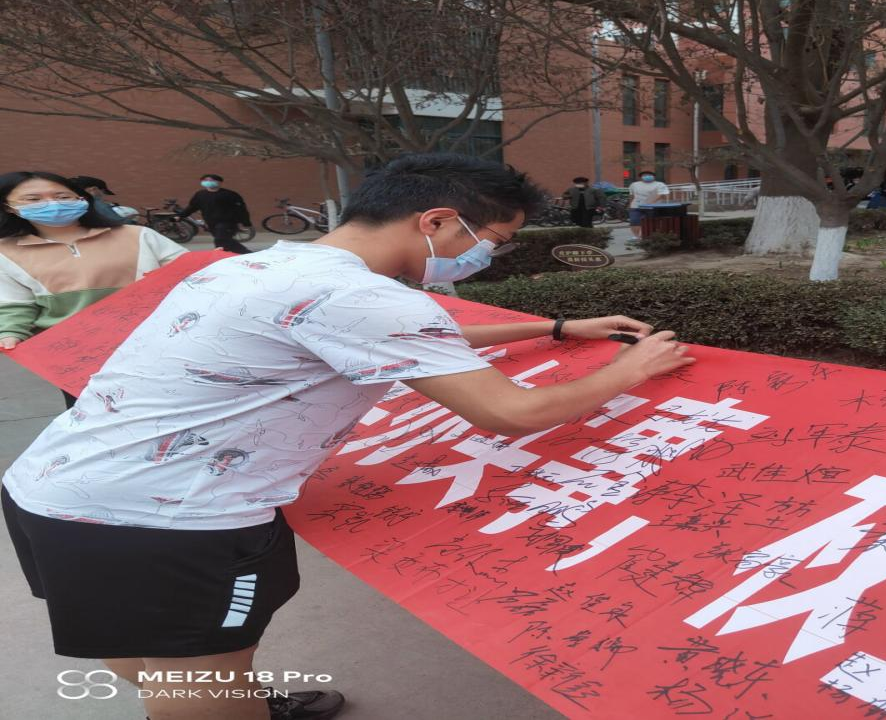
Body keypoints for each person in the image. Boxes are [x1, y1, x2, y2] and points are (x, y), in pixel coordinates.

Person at [1, 153, 694, 720]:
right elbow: (509, 413)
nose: (489, 253)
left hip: (55, 488)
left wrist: (555, 327)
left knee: (140, 644)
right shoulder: (362, 296)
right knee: (194, 669)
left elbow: (402, 337)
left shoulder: (262, 264)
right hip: (167, 520)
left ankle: (233, 704)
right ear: (437, 221)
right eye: (494, 239)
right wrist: (630, 370)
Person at [0, 171, 186, 406]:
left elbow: (196, 274)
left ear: (81, 199)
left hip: (154, 344)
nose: (53, 204)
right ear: (8, 207)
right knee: (97, 413)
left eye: (62, 196)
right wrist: (11, 333)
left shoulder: (138, 235)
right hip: (77, 356)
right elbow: (14, 303)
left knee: (174, 407)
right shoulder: (5, 252)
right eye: (33, 199)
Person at [181, 173, 253, 254]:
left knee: (220, 240)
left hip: (228, 222)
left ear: (219, 182)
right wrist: (181, 216)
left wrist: (245, 222)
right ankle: (245, 253)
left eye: (211, 180)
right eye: (205, 180)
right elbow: (193, 207)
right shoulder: (200, 194)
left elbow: (241, 209)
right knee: (226, 241)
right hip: (211, 222)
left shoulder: (229, 194)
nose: (208, 182)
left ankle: (221, 255)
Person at [71, 175, 136, 225]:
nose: (102, 195)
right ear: (93, 189)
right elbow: (121, 224)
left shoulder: (70, 201)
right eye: (103, 191)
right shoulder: (96, 204)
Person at [627, 170, 670, 238]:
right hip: (636, 206)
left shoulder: (660, 184)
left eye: (649, 175)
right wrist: (630, 204)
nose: (647, 176)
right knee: (634, 221)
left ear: (654, 177)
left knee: (651, 221)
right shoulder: (634, 185)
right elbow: (631, 195)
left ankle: (649, 236)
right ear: (641, 177)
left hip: (653, 207)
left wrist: (650, 202)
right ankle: (636, 236)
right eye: (644, 175)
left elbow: (662, 195)